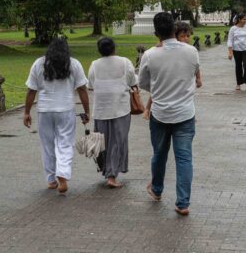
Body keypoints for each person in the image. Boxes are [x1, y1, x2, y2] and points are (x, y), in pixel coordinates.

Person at [138, 12, 200, 216]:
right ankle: (183, 203)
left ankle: (156, 190)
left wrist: (159, 88)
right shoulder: (191, 51)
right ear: (175, 29)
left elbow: (144, 83)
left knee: (159, 154)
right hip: (184, 112)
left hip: (160, 112)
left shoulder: (149, 55)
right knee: (184, 158)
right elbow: (193, 74)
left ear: (156, 33)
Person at [23, 37, 90, 194]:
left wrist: (26, 112)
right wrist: (87, 111)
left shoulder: (39, 63)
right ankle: (63, 176)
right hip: (66, 109)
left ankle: (51, 179)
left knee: (47, 145)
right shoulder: (74, 64)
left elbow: (31, 90)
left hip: (45, 110)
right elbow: (82, 89)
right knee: (65, 143)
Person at [88, 37, 136, 188]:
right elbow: (133, 82)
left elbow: (90, 85)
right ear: (114, 48)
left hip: (101, 110)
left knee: (102, 141)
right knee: (117, 141)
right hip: (120, 109)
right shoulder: (125, 62)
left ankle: (106, 170)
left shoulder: (94, 65)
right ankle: (112, 175)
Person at [143, 21, 202, 120]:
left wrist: (198, 78)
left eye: (188, 36)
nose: (186, 39)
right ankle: (147, 108)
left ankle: (191, 114)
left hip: (182, 77)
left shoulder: (190, 50)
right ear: (175, 36)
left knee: (186, 92)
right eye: (183, 36)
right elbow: (160, 46)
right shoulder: (164, 47)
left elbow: (196, 65)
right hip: (168, 76)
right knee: (157, 91)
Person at [227, 12, 246, 91]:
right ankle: (238, 83)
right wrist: (230, 52)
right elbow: (230, 40)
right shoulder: (233, 29)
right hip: (236, 50)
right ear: (239, 19)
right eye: (244, 19)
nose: (245, 21)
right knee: (238, 66)